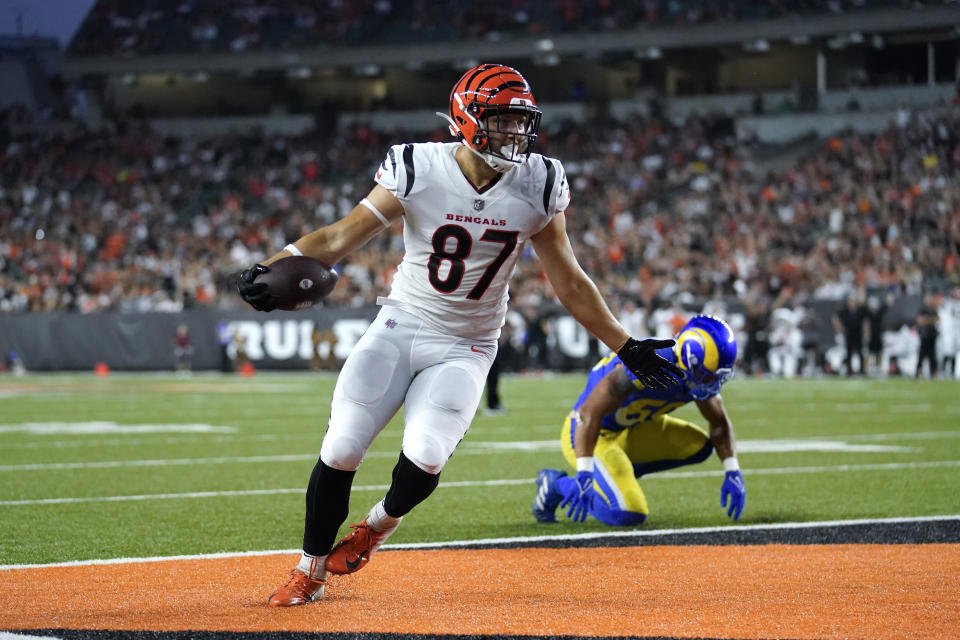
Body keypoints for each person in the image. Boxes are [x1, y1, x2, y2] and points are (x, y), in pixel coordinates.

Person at [236, 63, 683, 607]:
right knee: (343, 445)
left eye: (522, 122)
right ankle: (309, 571)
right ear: (467, 120)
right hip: (401, 324)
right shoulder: (416, 167)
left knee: (425, 455)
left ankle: (378, 525)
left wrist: (627, 346)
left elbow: (568, 279)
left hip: (468, 343)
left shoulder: (540, 182)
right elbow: (337, 237)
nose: (515, 134)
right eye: (502, 121)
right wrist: (269, 265)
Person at [532, 315, 746, 526]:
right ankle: (556, 484)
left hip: (632, 428)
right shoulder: (647, 364)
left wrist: (732, 470)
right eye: (708, 376)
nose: (713, 383)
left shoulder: (695, 375)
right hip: (592, 432)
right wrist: (585, 471)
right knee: (627, 513)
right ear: (688, 359)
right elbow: (588, 414)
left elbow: (719, 423)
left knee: (698, 447)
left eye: (718, 376)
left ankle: (618, 474)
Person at [833, 294, 866, 376]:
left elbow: (865, 322)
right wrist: (840, 329)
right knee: (849, 353)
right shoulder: (844, 311)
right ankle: (849, 370)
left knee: (860, 352)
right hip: (848, 333)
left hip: (858, 333)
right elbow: (835, 318)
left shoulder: (860, 310)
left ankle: (862, 370)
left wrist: (865, 332)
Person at [915, 294, 939, 379]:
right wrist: (930, 320)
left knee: (932, 355)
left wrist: (927, 320)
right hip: (924, 335)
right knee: (921, 354)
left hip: (932, 335)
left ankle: (933, 372)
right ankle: (918, 372)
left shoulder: (933, 309)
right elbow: (920, 321)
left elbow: (938, 319)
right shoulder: (922, 309)